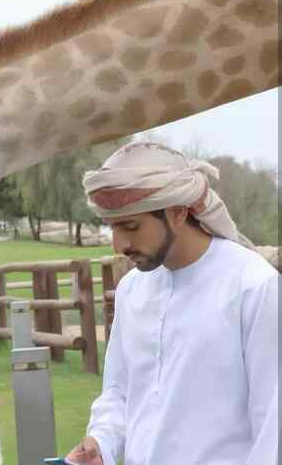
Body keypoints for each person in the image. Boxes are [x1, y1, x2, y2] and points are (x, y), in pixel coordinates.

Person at [66, 142, 279, 465]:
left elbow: (273, 424)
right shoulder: (131, 290)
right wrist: (101, 444)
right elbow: (120, 392)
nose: (119, 245)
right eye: (113, 227)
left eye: (131, 226)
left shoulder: (253, 286)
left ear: (178, 212)